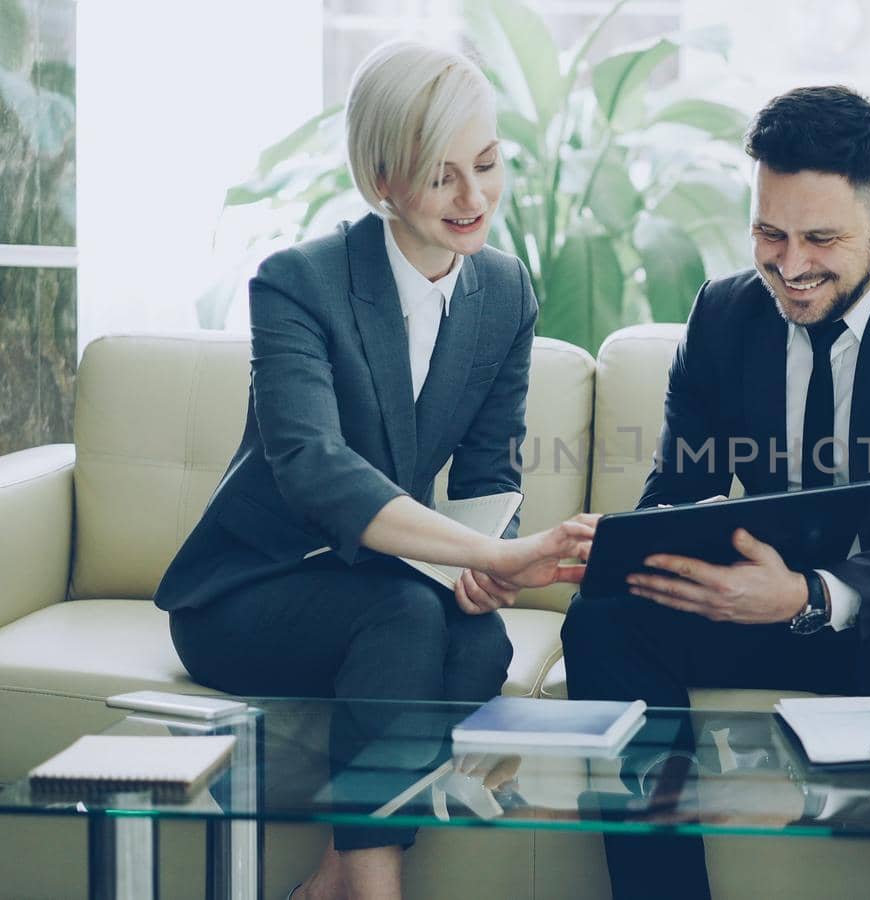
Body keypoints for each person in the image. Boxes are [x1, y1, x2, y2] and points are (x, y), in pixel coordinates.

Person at [560, 85, 870, 900]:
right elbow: (681, 486)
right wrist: (618, 548)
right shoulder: (724, 316)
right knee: (608, 621)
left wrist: (810, 595)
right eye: (768, 232)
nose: (790, 265)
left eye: (821, 237)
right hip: (769, 600)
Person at [154, 40, 594, 900]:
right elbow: (315, 467)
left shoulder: (503, 291)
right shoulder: (299, 284)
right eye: (442, 177)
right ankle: (374, 890)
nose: (474, 198)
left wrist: (477, 557)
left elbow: (488, 467)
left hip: (384, 583)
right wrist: (494, 559)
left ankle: (331, 874)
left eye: (488, 164)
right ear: (382, 180)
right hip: (250, 591)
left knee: (476, 643)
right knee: (401, 617)